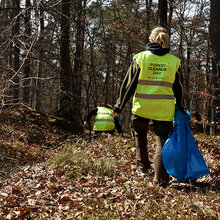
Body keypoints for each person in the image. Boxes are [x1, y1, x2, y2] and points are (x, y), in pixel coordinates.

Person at [113, 26, 185, 186]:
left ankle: (143, 168)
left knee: (140, 136)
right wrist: (179, 105)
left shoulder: (141, 58)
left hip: (142, 108)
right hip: (163, 110)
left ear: (151, 40)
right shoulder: (173, 62)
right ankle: (160, 180)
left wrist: (118, 106)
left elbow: (128, 85)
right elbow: (178, 88)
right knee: (162, 143)